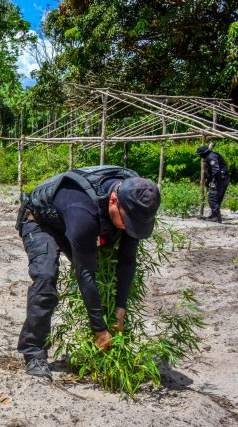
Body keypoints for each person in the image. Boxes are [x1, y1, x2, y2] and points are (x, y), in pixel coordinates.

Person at [15, 165, 161, 379]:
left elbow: (127, 262)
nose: (128, 228)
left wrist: (120, 310)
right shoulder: (83, 209)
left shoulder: (136, 201)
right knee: (46, 277)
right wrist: (100, 329)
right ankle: (34, 352)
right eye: (126, 223)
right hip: (41, 221)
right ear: (113, 201)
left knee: (105, 280)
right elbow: (85, 274)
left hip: (75, 221)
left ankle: (100, 347)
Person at [195, 144, 231, 223]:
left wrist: (213, 181)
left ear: (203, 153)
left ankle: (216, 217)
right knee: (216, 198)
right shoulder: (211, 156)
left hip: (220, 179)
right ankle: (215, 215)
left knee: (212, 198)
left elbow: (216, 170)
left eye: (200, 155)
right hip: (220, 178)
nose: (200, 157)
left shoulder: (211, 157)